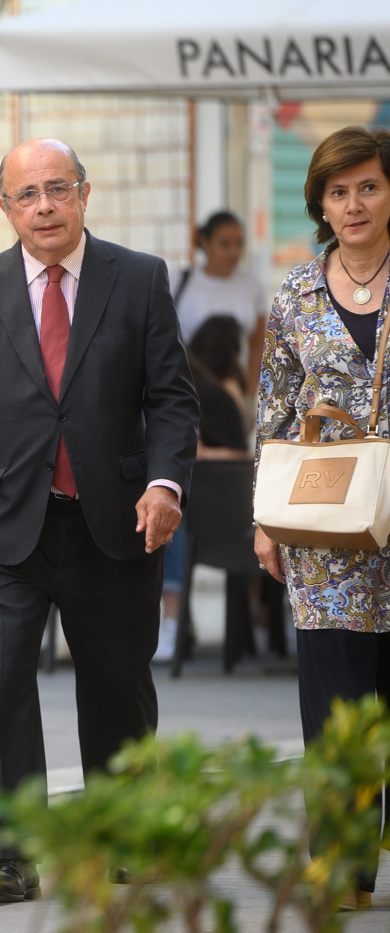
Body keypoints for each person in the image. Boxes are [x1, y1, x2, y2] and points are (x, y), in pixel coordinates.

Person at [0, 138, 199, 904]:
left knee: (116, 685)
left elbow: (172, 399)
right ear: (5, 206)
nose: (43, 206)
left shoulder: (138, 279)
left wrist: (166, 482)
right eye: (26, 194)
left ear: (85, 193)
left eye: (57, 189)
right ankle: (14, 854)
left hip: (113, 522)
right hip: (7, 526)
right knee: (4, 685)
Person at [253, 124, 390, 912]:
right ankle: (343, 864)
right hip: (327, 523)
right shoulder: (296, 293)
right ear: (320, 204)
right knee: (336, 703)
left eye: (367, 185)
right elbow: (274, 408)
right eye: (338, 191)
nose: (354, 203)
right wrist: (265, 520)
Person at [155, 315, 252, 661]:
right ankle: (172, 624)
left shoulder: (204, 389)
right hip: (221, 504)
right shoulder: (212, 386)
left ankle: (171, 623)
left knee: (169, 510)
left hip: (216, 511)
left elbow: (201, 449)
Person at [174, 210, 266, 395]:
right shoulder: (180, 280)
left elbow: (258, 346)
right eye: (224, 244)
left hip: (233, 390)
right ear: (205, 242)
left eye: (239, 244)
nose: (234, 252)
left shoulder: (252, 285)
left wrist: (249, 394)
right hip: (188, 388)